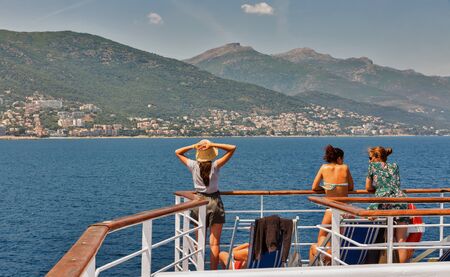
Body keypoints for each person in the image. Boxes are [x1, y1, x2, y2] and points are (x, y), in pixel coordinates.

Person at [175, 139, 236, 270]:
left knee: (200, 242)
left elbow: (178, 152)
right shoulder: (216, 165)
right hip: (214, 202)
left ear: (199, 153)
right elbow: (232, 147)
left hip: (198, 202)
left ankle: (200, 269)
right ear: (211, 153)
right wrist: (213, 144)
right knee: (214, 244)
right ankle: (213, 272)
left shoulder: (193, 165)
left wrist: (193, 146)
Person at [309, 145, 354, 264]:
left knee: (322, 235)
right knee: (338, 239)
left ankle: (326, 256)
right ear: (339, 158)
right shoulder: (344, 168)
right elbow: (351, 187)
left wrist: (326, 188)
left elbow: (314, 187)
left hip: (332, 208)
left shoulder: (324, 168)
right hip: (345, 209)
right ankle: (329, 256)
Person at [365, 146, 409, 263]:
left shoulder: (372, 166)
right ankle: (402, 271)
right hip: (400, 199)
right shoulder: (395, 165)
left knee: (367, 217)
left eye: (370, 158)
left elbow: (368, 187)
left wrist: (377, 186)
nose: (369, 160)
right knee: (401, 241)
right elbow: (395, 183)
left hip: (383, 200)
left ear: (376, 157)